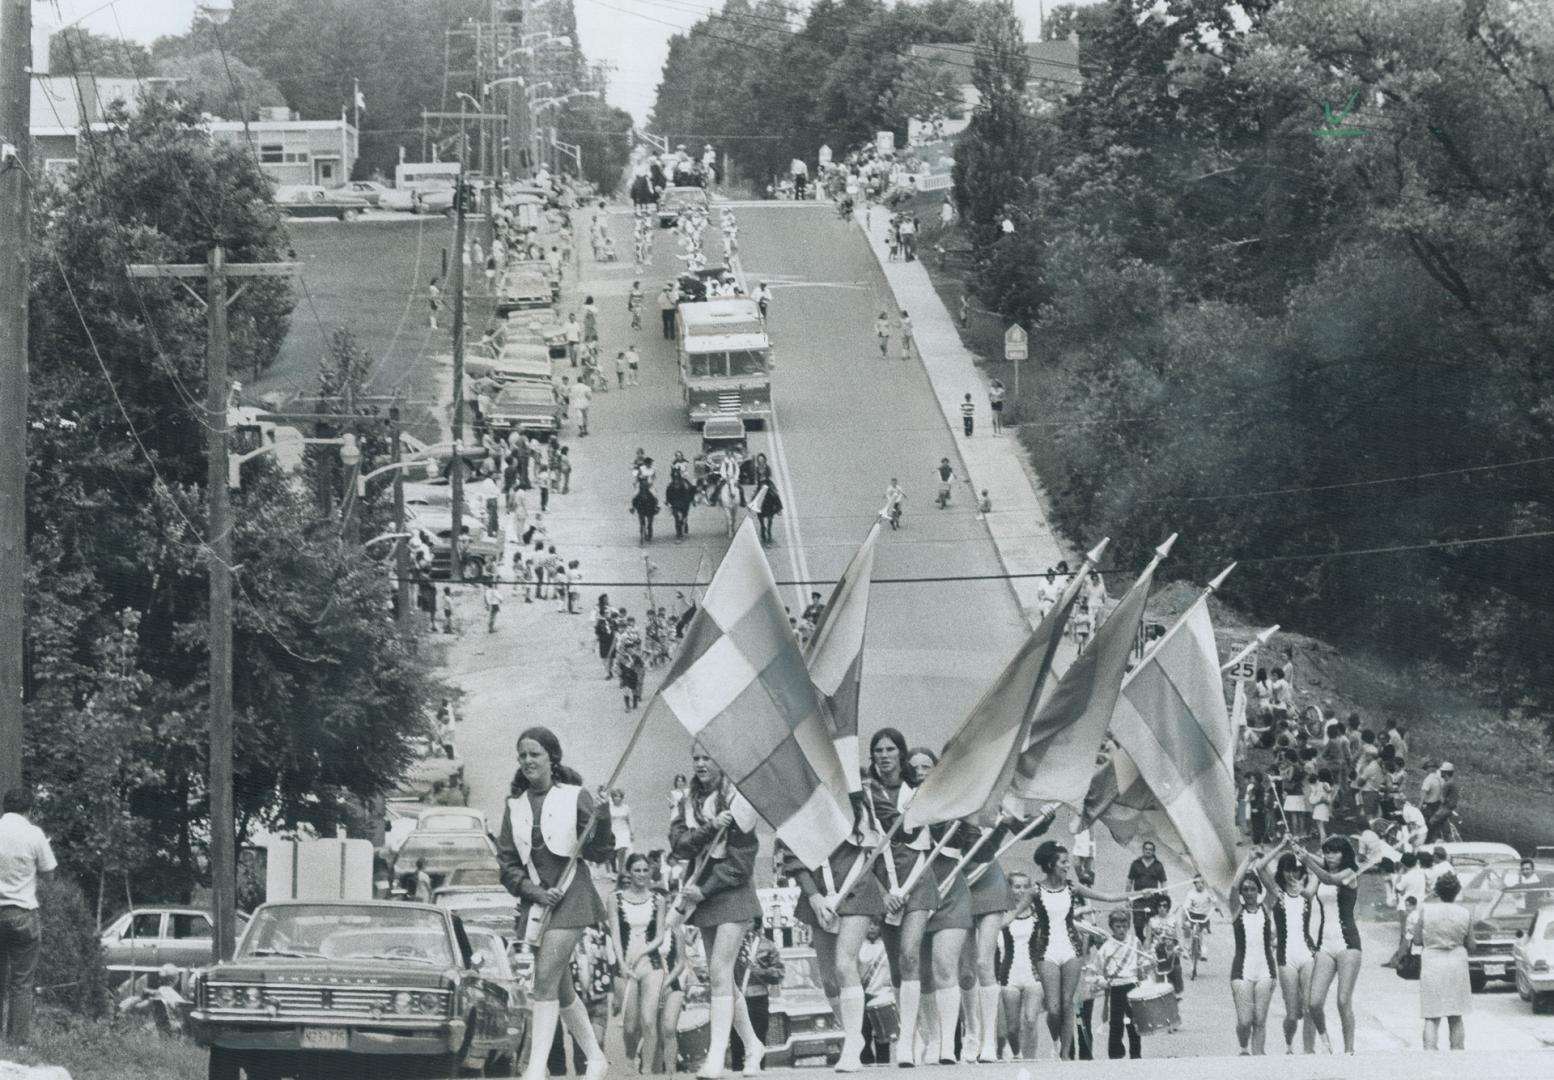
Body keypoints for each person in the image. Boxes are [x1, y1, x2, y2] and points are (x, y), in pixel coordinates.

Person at [496, 727, 616, 1080]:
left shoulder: (575, 796)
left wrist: (603, 816)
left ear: (552, 758)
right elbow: (507, 865)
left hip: (572, 897)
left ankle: (535, 1069)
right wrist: (533, 892)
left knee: (544, 982)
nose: (528, 761)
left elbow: (597, 851)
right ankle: (595, 1058)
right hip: (536, 904)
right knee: (561, 989)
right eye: (523, 755)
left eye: (535, 754)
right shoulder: (513, 806)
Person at [668, 743, 766, 1078]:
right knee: (722, 978)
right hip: (702, 894)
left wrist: (704, 889)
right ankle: (753, 1044)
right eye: (695, 758)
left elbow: (741, 863)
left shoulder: (739, 801)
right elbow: (679, 845)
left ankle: (716, 1057)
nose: (699, 764)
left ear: (722, 761)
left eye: (707, 757)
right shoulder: (687, 801)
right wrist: (710, 827)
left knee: (720, 971)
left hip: (732, 893)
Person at [1021, 839, 1152, 1060]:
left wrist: (1140, 893)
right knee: (1053, 1010)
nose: (1067, 866)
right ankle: (1057, 1040)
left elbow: (1108, 897)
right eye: (1063, 862)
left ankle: (1065, 1055)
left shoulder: (1072, 887)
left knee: (1067, 1004)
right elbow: (1012, 914)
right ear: (1052, 864)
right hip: (1046, 950)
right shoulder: (1036, 890)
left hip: (1071, 949)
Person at [863, 728, 938, 1066]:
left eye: (890, 749)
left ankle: (908, 1039)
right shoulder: (865, 794)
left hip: (918, 878)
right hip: (883, 882)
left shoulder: (919, 791)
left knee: (910, 956)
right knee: (896, 968)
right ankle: (915, 1031)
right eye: (878, 750)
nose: (884, 755)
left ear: (900, 753)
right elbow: (864, 851)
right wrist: (881, 892)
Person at [1255, 840, 1330, 1054]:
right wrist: (1281, 845)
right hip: (1285, 956)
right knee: (1292, 1013)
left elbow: (1323, 867)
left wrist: (1304, 854)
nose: (1291, 875)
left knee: (1309, 1009)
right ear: (1282, 872)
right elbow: (1260, 867)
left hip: (1307, 953)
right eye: (1287, 870)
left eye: (1295, 870)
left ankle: (1309, 1051)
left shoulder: (1307, 894)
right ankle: (1289, 1044)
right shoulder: (1277, 892)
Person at [0, 788, 56, 1045]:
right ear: (29, 810)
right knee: (21, 982)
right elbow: (49, 874)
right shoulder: (33, 834)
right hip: (22, 912)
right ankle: (16, 1042)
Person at [609, 853, 668, 1070]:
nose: (642, 875)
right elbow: (615, 934)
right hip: (625, 964)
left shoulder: (658, 900)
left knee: (649, 1021)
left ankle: (648, 1070)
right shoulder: (615, 898)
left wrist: (645, 950)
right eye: (637, 870)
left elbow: (660, 935)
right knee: (630, 1027)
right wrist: (622, 964)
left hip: (651, 964)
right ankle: (630, 1058)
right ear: (629, 872)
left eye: (645, 870)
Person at [1227, 857, 1279, 1056]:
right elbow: (1233, 887)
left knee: (1259, 1020)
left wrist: (1260, 863)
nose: (1249, 893)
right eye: (1246, 889)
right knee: (1244, 1022)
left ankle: (1259, 1060)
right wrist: (1247, 859)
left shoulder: (1265, 909)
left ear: (1258, 891)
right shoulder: (1236, 911)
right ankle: (1243, 1048)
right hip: (1241, 971)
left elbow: (1273, 888)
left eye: (1253, 889)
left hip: (1265, 970)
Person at [1417, 871, 1471, 1050]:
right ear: (1456, 891)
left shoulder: (1426, 911)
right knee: (1456, 1015)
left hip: (1432, 961)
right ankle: (1457, 1055)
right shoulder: (1465, 913)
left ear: (1437, 891)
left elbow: (1417, 940)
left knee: (1432, 1015)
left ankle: (1430, 1055)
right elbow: (1472, 944)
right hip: (1457, 961)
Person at [996, 870, 1043, 1060]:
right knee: (1012, 1028)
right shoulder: (1001, 915)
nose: (1021, 891)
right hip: (1009, 975)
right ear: (1009, 888)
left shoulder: (1038, 914)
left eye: (1025, 887)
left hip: (1033, 975)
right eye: (1017, 887)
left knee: (1031, 1021)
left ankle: (1030, 1061)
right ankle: (1017, 1055)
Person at [1093, 909, 1144, 1059]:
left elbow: (1142, 961)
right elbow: (1096, 971)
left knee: (1134, 1023)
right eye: (1118, 926)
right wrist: (1103, 982)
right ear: (1112, 927)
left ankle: (1136, 1055)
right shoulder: (1106, 947)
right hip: (1115, 988)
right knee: (1116, 1024)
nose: (1121, 930)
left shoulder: (1135, 942)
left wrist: (1144, 969)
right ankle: (1115, 1056)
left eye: (1124, 926)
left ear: (1128, 926)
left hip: (1132, 986)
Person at [1126, 842, 1168, 940]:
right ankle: (1141, 944)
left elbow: (1163, 883)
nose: (1148, 851)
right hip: (1138, 899)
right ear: (1143, 850)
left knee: (1153, 926)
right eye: (1146, 849)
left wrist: (1164, 899)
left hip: (1153, 900)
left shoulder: (1158, 865)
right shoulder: (1136, 864)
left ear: (1153, 851)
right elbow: (1129, 882)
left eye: (1150, 849)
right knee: (1138, 926)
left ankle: (1151, 948)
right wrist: (1128, 898)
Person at [751, 478, 783, 546]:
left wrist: (768, 486)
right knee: (755, 495)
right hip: (761, 486)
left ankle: (779, 508)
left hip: (768, 484)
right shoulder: (759, 473)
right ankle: (752, 506)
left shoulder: (767, 470)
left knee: (775, 495)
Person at [609, 789, 635, 874]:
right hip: (613, 831)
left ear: (622, 797)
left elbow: (630, 821)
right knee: (612, 853)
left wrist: (632, 833)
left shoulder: (626, 808)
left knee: (622, 850)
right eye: (615, 796)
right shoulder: (610, 808)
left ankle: (621, 871)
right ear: (613, 798)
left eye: (619, 796)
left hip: (624, 831)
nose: (617, 798)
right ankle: (614, 870)